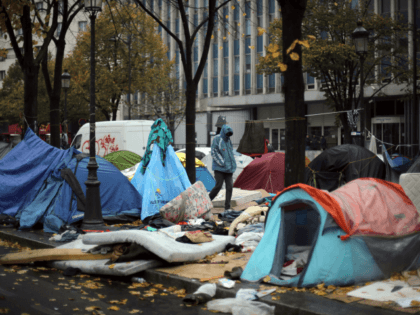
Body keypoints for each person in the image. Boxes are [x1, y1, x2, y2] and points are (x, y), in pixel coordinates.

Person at [208, 124, 237, 211]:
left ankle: (227, 207)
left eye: (229, 134)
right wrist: (223, 163)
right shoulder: (217, 139)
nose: (228, 135)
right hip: (219, 168)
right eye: (227, 133)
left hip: (228, 169)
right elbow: (214, 152)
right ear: (224, 132)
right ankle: (207, 201)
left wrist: (232, 164)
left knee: (230, 187)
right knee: (218, 186)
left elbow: (230, 152)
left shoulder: (228, 140)